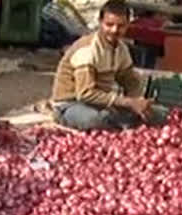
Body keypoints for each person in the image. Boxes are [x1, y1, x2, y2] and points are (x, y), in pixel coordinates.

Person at [50, 0, 168, 131]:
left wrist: (138, 101)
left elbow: (131, 81)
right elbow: (85, 94)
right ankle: (109, 122)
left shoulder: (121, 49)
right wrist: (128, 102)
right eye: (109, 24)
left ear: (128, 24)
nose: (114, 30)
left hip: (101, 104)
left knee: (159, 114)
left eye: (121, 26)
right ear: (100, 22)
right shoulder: (88, 50)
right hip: (71, 104)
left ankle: (115, 122)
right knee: (95, 120)